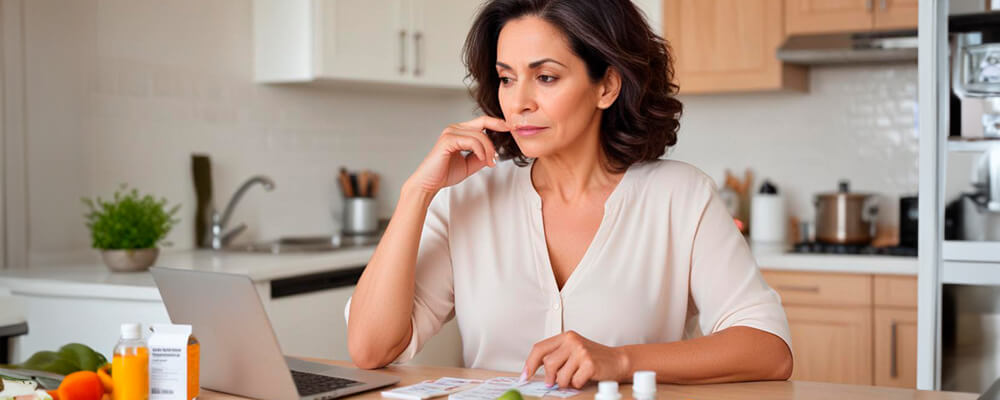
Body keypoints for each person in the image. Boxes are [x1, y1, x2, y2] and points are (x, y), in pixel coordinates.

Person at [347, 0, 793, 389]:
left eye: (545, 77)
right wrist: (416, 193)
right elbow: (370, 350)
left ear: (606, 86)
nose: (518, 101)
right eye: (506, 79)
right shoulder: (467, 198)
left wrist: (620, 361)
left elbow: (769, 350)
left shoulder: (680, 196)